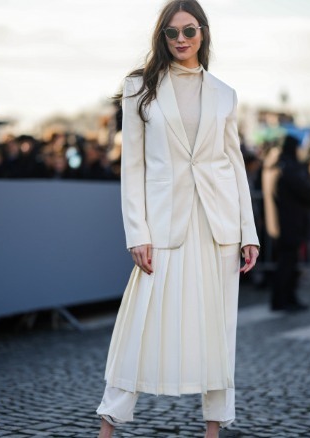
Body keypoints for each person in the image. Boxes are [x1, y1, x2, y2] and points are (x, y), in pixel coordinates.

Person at [95, 1, 260, 437]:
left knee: (219, 334)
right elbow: (133, 168)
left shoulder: (225, 93)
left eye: (190, 30)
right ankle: (107, 427)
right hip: (164, 224)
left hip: (219, 223)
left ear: (203, 33)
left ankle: (213, 431)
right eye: (172, 32)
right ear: (162, 37)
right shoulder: (138, 88)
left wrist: (250, 232)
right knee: (139, 325)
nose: (182, 39)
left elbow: (234, 163)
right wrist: (137, 232)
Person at [270, 134, 310, 311]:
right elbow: (305, 190)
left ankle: (287, 298)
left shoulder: (286, 165)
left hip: (290, 221)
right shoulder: (290, 167)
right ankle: (283, 299)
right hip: (291, 222)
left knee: (290, 262)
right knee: (288, 263)